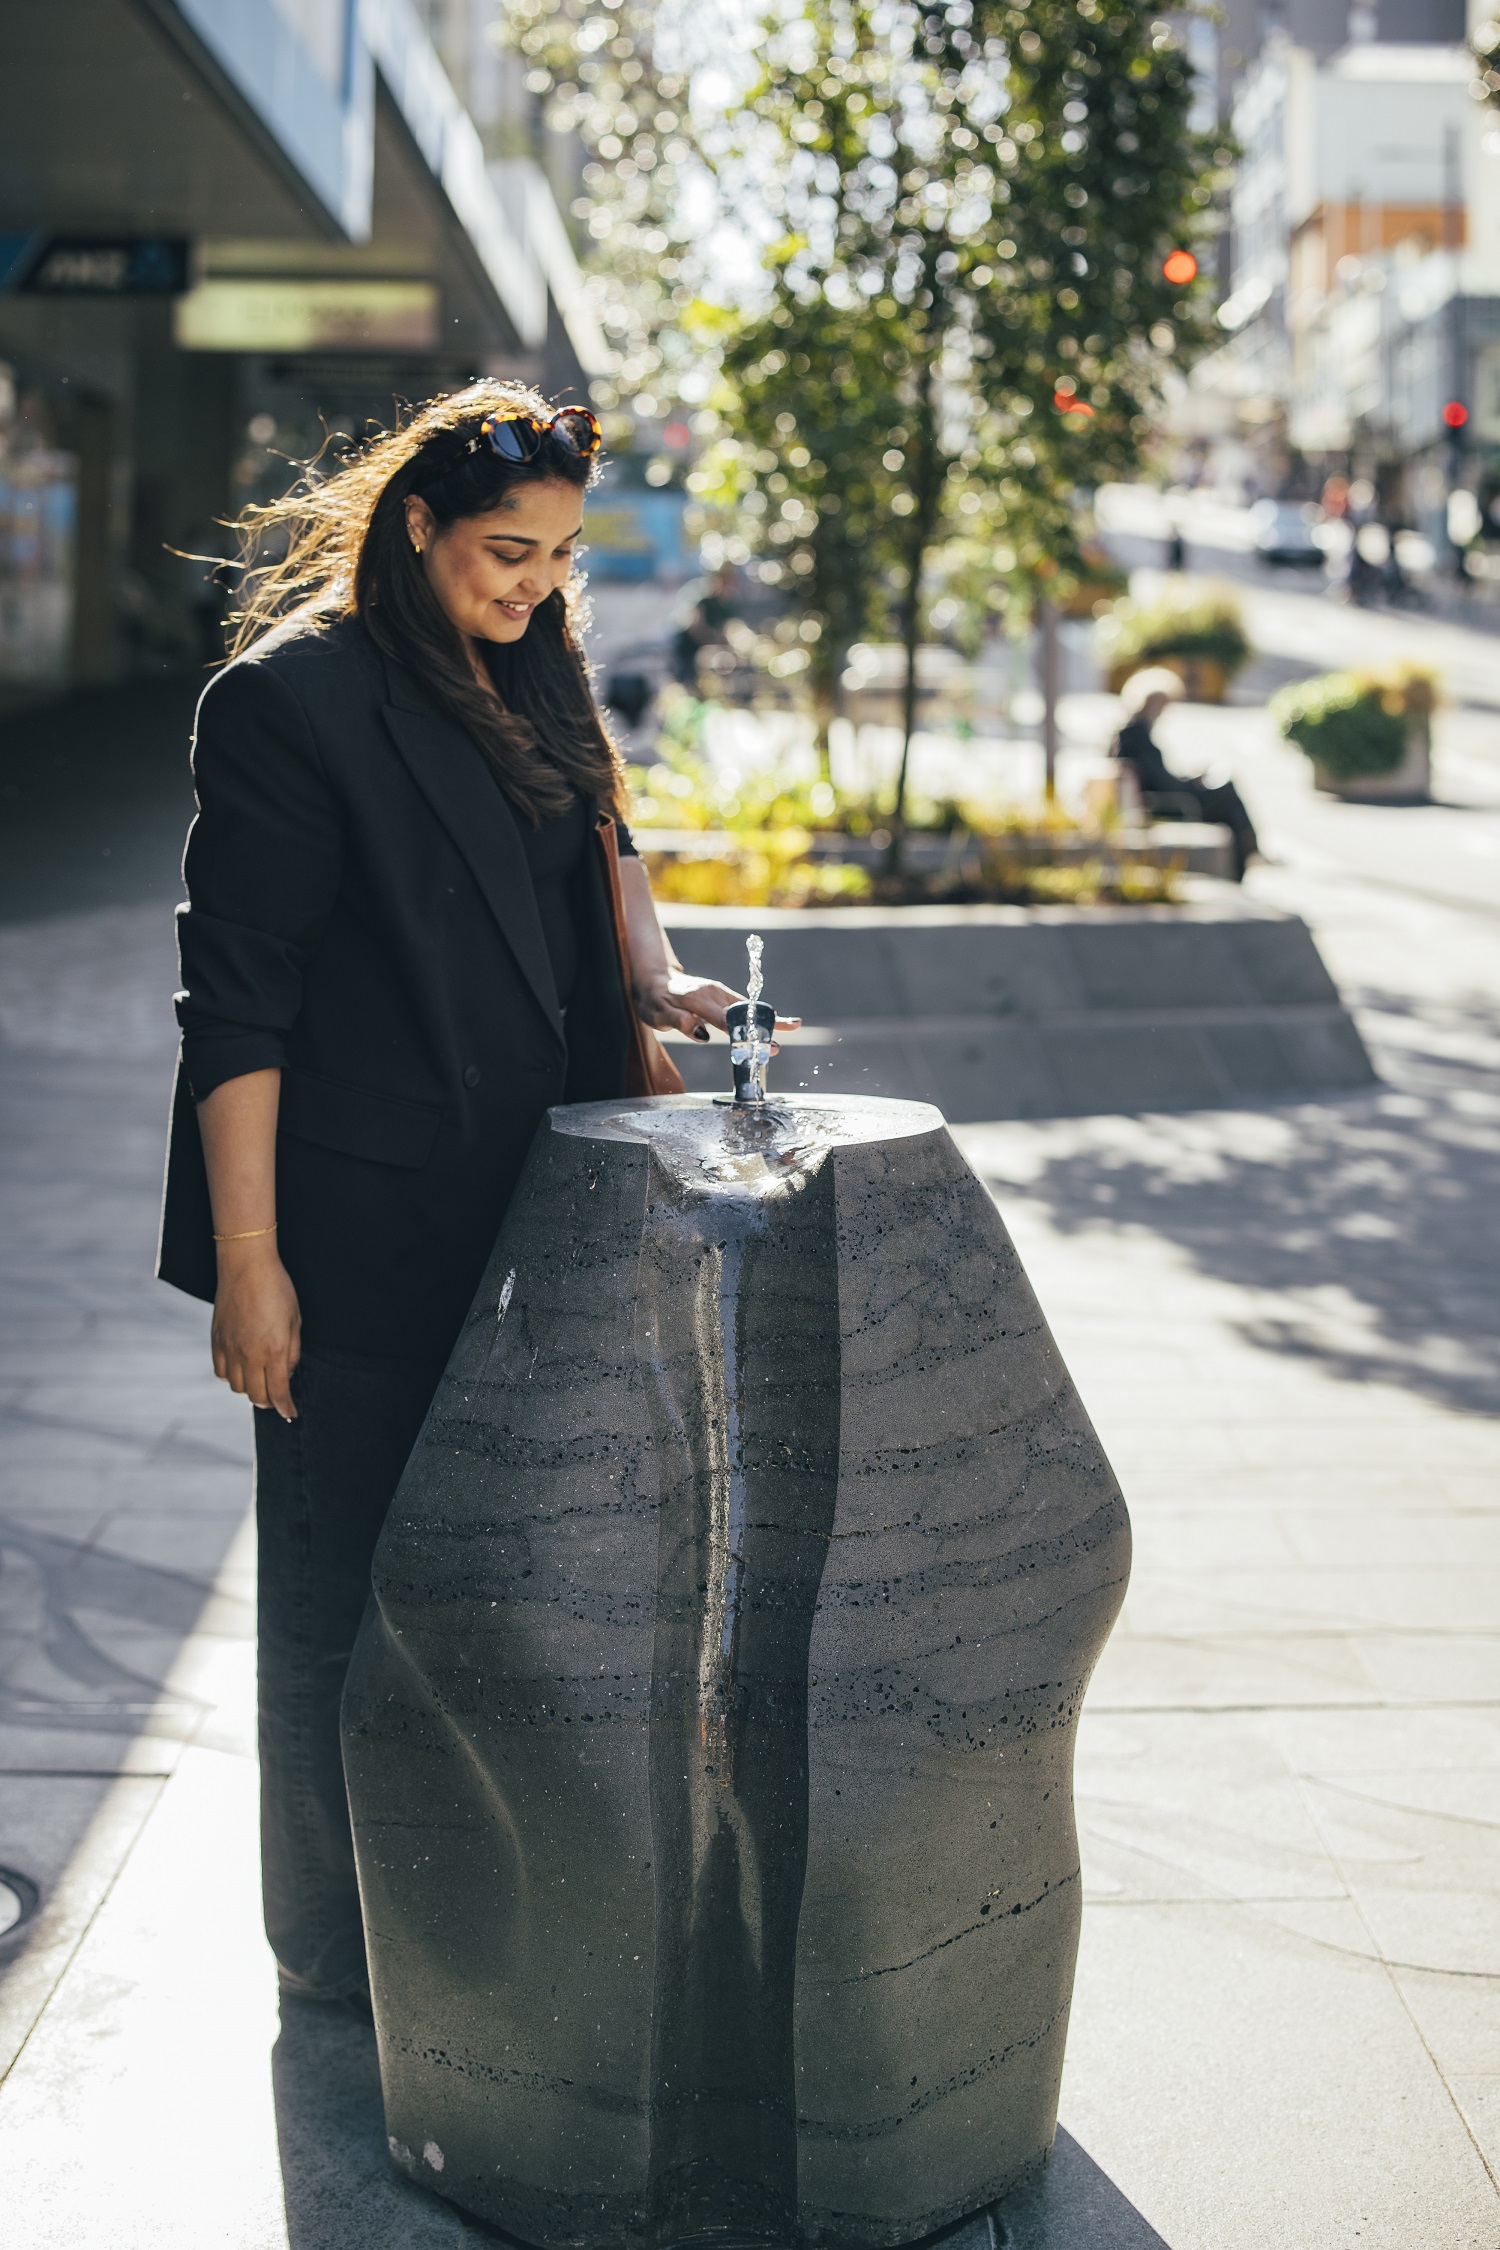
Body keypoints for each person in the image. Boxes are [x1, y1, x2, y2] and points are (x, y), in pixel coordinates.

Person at [156, 381, 796, 2017]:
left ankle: (472, 1899)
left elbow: (600, 830)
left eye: (562, 556)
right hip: (356, 1237)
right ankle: (329, 1943)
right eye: (508, 551)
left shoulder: (530, 659)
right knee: (333, 1594)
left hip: (543, 1199)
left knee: (505, 1573)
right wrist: (250, 1264)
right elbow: (237, 1005)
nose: (534, 582)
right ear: (418, 524)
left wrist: (651, 982)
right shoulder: (289, 703)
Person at [1111, 666, 1260, 880]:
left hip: (1168, 795)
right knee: (1227, 795)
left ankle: (1247, 856)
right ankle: (1247, 857)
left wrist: (1189, 777)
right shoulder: (1137, 735)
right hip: (1168, 802)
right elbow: (1163, 783)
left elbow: (1160, 776)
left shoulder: (1133, 733)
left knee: (1227, 795)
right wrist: (1191, 781)